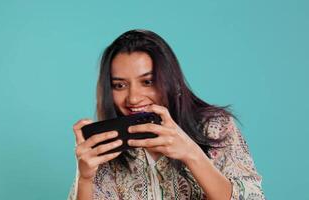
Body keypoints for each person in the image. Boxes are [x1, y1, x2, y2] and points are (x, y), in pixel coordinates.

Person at [68, 29, 265, 200]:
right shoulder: (106, 149)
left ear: (171, 80)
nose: (133, 98)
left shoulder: (216, 127)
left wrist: (191, 153)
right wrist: (84, 178)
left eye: (148, 82)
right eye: (120, 85)